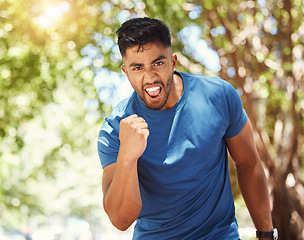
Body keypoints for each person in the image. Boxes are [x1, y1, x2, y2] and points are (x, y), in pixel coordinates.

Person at [97, 17, 276, 239]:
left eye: (158, 63)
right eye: (138, 68)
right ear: (126, 72)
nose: (150, 77)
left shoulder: (218, 95)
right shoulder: (115, 129)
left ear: (173, 62)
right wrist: (127, 156)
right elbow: (121, 220)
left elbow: (248, 163)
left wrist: (266, 234)